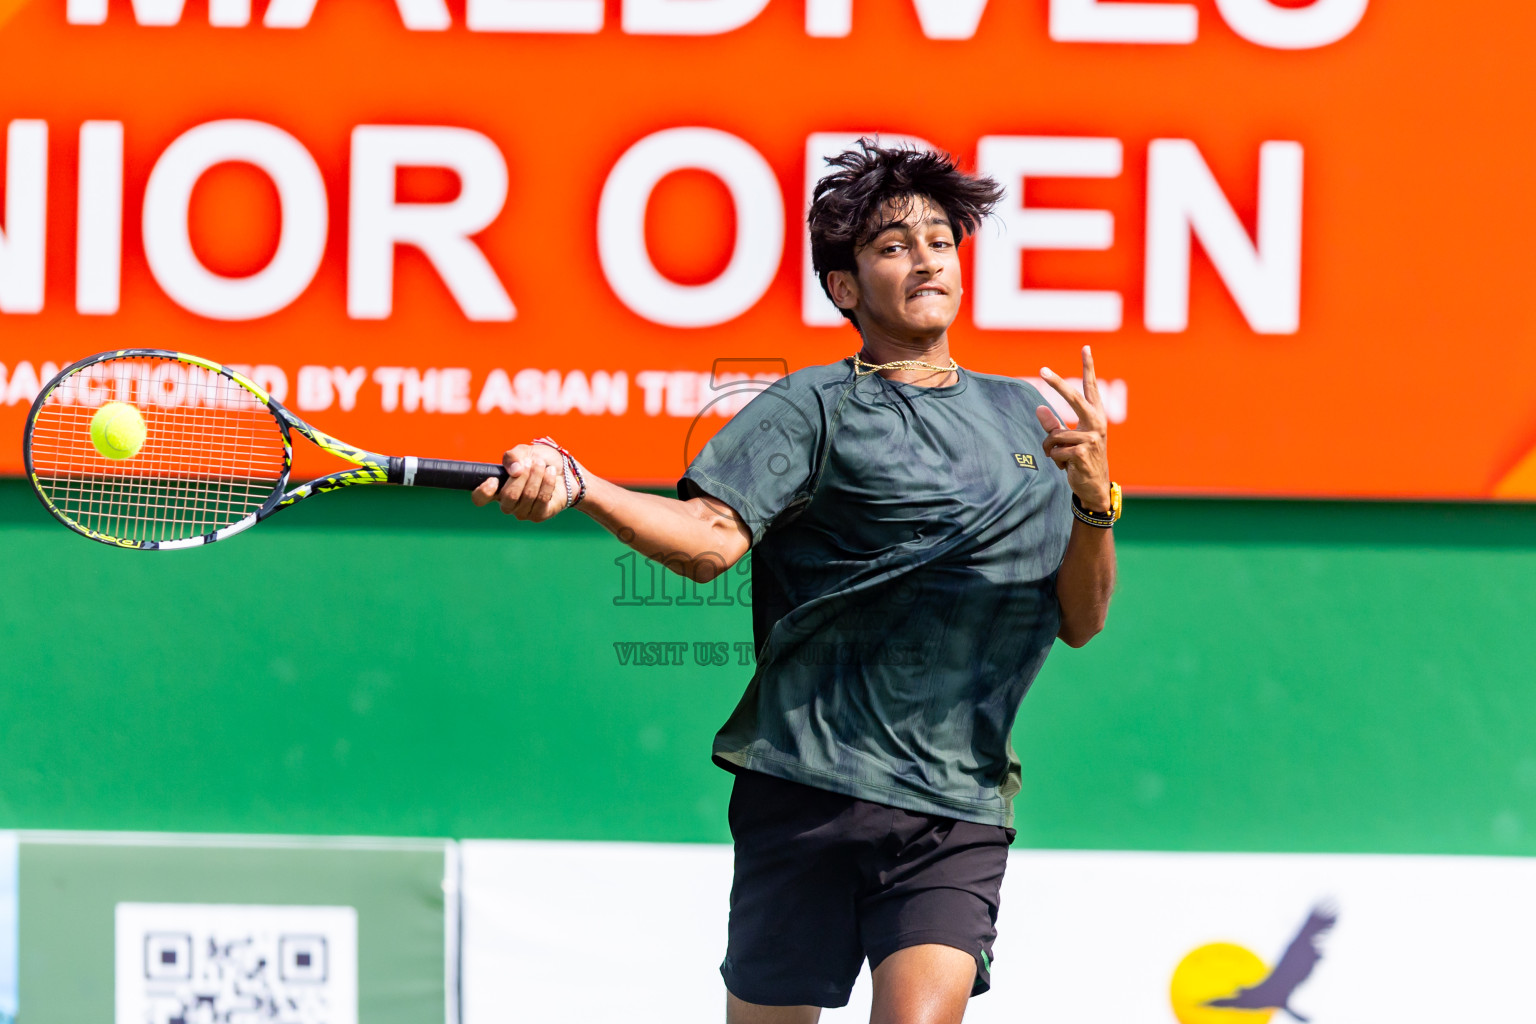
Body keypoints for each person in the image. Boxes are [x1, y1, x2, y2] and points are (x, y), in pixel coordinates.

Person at [472, 139, 1118, 1024]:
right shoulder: (807, 408)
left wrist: (1092, 503)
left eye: (940, 240)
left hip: (954, 807)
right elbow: (706, 542)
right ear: (846, 289)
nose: (927, 258)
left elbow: (1079, 620)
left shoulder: (1032, 418)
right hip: (805, 790)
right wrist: (581, 482)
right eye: (895, 246)